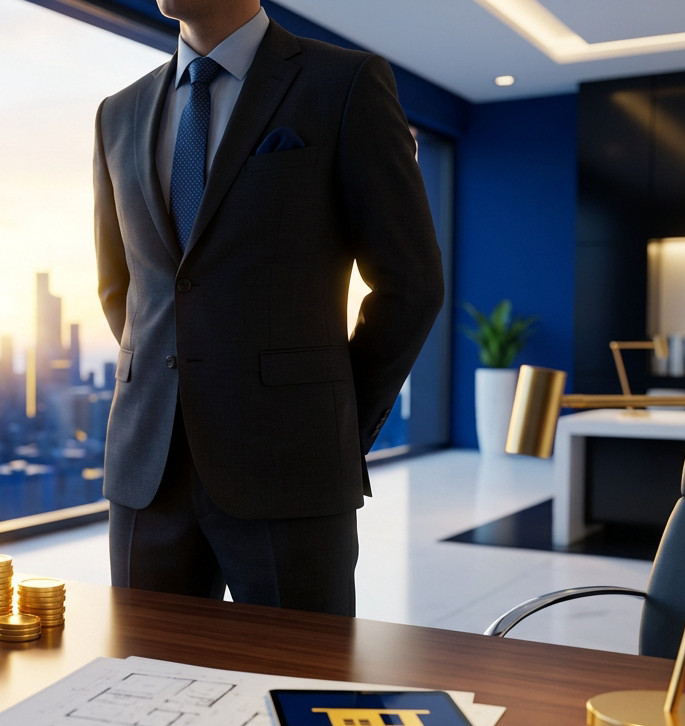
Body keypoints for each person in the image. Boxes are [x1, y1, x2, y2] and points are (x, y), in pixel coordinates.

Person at [93, 0, 444, 616]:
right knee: (141, 695)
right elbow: (121, 288)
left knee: (301, 696)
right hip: (148, 471)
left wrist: (328, 426)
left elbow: (410, 284)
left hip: (292, 466)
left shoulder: (345, 83)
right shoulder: (117, 114)